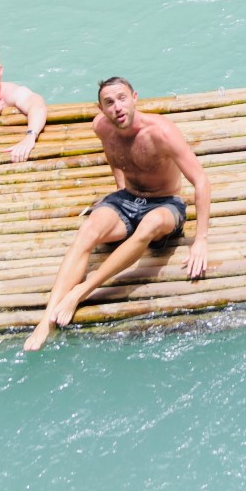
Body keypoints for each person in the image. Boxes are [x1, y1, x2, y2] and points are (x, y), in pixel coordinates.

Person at [23, 76, 211, 351]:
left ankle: (80, 292)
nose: (117, 107)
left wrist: (201, 240)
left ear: (135, 97)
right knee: (87, 231)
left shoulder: (161, 132)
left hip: (165, 204)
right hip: (127, 199)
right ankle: (45, 321)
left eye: (122, 98)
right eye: (109, 103)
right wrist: (118, 195)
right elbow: (116, 158)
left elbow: (201, 181)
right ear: (101, 109)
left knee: (149, 225)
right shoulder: (101, 127)